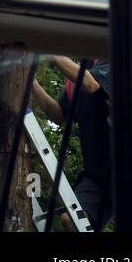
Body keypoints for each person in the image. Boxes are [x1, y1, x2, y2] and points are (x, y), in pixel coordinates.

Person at [30, 57, 113, 231]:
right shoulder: (78, 74)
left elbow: (91, 84)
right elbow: (58, 115)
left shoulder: (117, 57)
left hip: (130, 172)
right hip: (97, 176)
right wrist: (31, 81)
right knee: (72, 221)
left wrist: (50, 52)